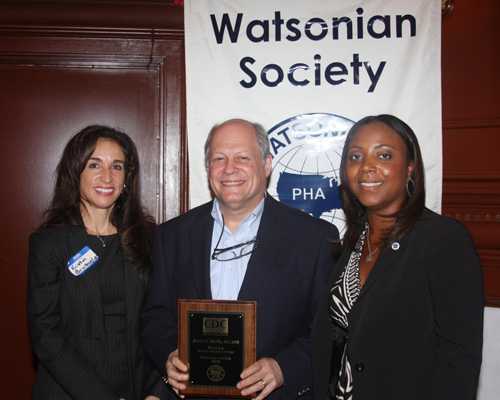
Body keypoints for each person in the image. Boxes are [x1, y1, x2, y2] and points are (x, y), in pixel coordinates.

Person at [142, 118, 339, 399]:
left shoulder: (314, 239)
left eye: (242, 158)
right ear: (208, 167)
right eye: (218, 158)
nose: (229, 169)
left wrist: (284, 367)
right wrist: (169, 354)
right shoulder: (171, 236)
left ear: (267, 165)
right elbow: (155, 316)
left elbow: (329, 328)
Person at [312, 114, 484, 400]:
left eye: (384, 155)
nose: (367, 167)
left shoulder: (443, 240)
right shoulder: (352, 243)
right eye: (355, 156)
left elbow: (459, 362)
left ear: (409, 169)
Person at [28, 125, 162, 400]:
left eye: (117, 166)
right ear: (75, 172)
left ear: (127, 178)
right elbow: (45, 335)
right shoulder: (49, 244)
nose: (107, 176)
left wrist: (159, 391)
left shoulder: (148, 239)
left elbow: (160, 320)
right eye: (94, 165)